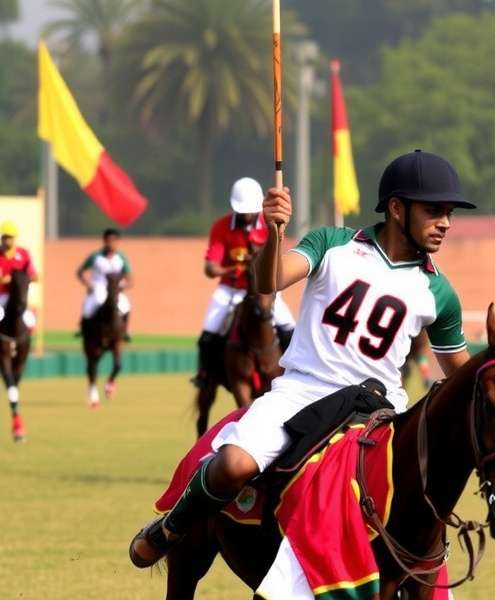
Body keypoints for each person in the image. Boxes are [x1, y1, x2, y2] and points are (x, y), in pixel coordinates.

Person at [130, 150, 476, 575]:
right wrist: (276, 232)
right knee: (234, 464)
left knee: (416, 513)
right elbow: (267, 280)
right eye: (434, 211)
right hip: (302, 394)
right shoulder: (333, 244)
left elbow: (462, 372)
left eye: (449, 213)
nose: (445, 222)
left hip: (379, 415)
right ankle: (173, 525)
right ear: (397, 208)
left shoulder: (440, 292)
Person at [192, 177, 296, 387]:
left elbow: (276, 260)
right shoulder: (221, 227)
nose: (246, 215)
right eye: (242, 210)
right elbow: (210, 268)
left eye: (250, 210)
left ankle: (296, 372)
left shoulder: (269, 225)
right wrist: (231, 269)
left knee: (290, 329)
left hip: (264, 290)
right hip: (231, 289)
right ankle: (205, 374)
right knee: (208, 333)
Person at [76, 228, 133, 339]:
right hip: (99, 286)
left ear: (117, 242)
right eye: (108, 240)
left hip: (116, 288)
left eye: (113, 241)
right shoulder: (96, 256)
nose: (110, 244)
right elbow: (80, 272)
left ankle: (125, 330)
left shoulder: (121, 258)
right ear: (104, 241)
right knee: (90, 306)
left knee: (125, 305)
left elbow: (130, 278)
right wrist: (88, 285)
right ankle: (83, 329)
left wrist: (124, 286)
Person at [0, 221, 38, 330]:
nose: (7, 240)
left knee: (30, 322)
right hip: (2, 295)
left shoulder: (24, 254)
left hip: (18, 297)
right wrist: (5, 280)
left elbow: (33, 275)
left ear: (15, 238)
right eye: (5, 237)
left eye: (10, 237)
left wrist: (26, 278)